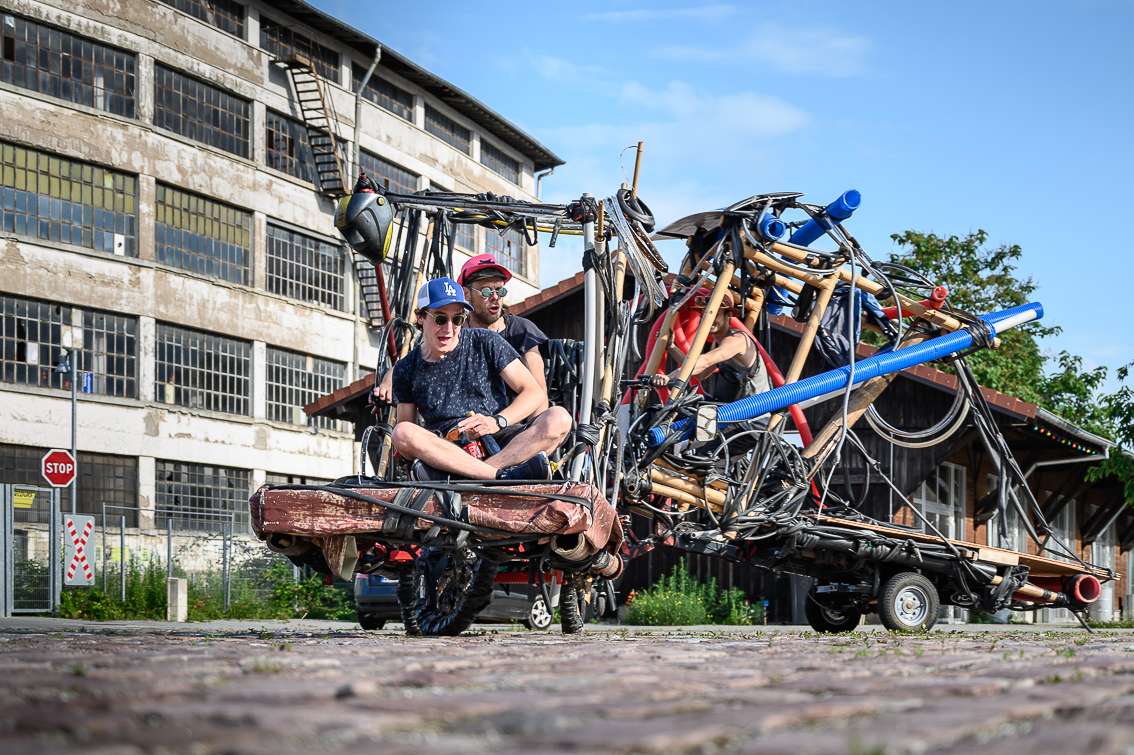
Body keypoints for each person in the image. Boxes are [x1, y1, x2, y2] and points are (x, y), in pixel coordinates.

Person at [390, 277, 572, 481]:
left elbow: (534, 393)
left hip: (502, 441)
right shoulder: (405, 368)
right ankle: (500, 476)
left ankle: (476, 476)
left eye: (457, 319)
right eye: (441, 319)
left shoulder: (486, 341)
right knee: (402, 432)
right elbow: (406, 439)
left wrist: (496, 421)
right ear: (421, 317)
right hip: (448, 448)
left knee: (559, 418)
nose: (449, 329)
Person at [456, 253, 550, 412]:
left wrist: (536, 430)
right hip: (465, 423)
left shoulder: (522, 330)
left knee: (557, 418)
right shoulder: (454, 334)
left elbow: (539, 397)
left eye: (500, 290)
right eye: (486, 292)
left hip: (513, 426)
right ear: (466, 294)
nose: (495, 297)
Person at [653, 288, 771, 404]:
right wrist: (671, 346)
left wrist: (670, 377)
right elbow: (700, 374)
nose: (709, 320)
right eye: (705, 315)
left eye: (715, 314)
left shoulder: (737, 340)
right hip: (731, 414)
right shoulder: (720, 346)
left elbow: (705, 361)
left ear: (728, 315)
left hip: (752, 418)